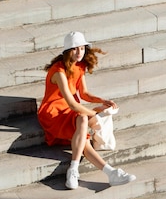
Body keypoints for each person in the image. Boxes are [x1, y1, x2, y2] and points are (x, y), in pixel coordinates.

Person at [37, 31, 136, 189]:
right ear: (68, 51)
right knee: (83, 119)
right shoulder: (58, 71)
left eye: (82, 48)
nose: (79, 53)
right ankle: (110, 172)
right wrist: (95, 115)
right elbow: (72, 104)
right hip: (53, 112)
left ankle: (76, 169)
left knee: (82, 122)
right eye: (75, 49)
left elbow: (83, 94)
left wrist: (102, 101)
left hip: (70, 111)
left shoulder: (80, 66)